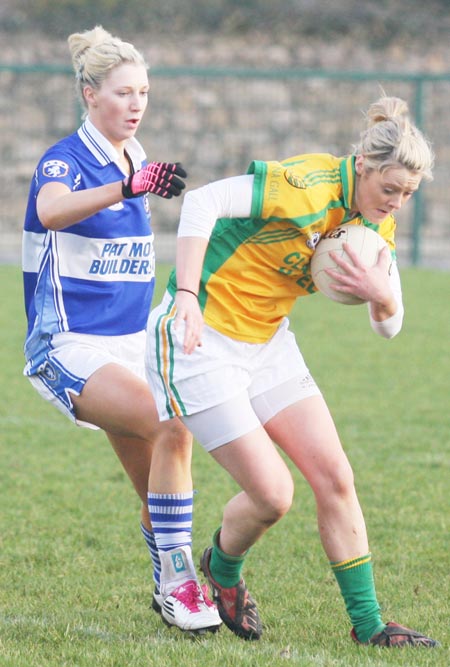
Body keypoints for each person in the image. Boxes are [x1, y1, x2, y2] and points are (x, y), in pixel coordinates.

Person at [145, 94, 439, 646]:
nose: (397, 203)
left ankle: (371, 625)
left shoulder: (376, 223)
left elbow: (389, 327)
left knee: (336, 477)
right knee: (274, 496)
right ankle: (222, 569)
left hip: (268, 345)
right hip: (200, 340)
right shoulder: (305, 184)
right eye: (390, 189)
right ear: (363, 167)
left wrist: (382, 297)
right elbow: (201, 203)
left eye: (408, 195)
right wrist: (185, 292)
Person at [22, 25, 221, 634]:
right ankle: (182, 582)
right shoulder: (67, 159)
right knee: (173, 427)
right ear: (89, 95)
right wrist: (126, 186)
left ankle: (172, 576)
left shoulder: (135, 156)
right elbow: (52, 209)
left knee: (157, 489)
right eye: (123, 93)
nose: (136, 105)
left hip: (131, 348)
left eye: (144, 93)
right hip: (69, 348)